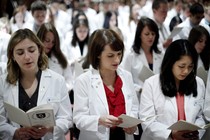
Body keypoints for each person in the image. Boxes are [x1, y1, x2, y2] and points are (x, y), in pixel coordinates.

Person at [0, 29, 72, 140]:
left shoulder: (57, 80)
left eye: (31, 50)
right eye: (20, 53)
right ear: (12, 56)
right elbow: (1, 121)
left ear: (39, 50)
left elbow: (67, 119)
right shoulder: (3, 83)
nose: (27, 57)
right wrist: (15, 132)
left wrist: (50, 128)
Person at [73, 29, 139, 140]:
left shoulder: (126, 76)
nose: (117, 60)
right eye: (110, 55)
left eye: (119, 54)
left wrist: (132, 125)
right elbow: (78, 118)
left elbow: (134, 107)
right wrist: (98, 120)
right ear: (98, 55)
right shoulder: (83, 81)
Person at [139, 39, 206, 140]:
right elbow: (147, 121)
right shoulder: (151, 84)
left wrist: (196, 132)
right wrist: (170, 133)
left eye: (190, 66)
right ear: (170, 63)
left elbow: (200, 116)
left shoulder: (199, 83)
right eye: (181, 66)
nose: (186, 71)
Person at [121, 16, 164, 97]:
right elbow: (125, 81)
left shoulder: (160, 54)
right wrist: (140, 89)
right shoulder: (130, 55)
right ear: (139, 35)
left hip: (158, 97)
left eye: (153, 34)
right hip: (138, 99)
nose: (150, 37)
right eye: (147, 34)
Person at [37, 22, 74, 94]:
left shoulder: (61, 58)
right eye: (47, 41)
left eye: (53, 42)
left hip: (59, 98)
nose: (50, 45)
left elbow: (69, 80)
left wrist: (60, 92)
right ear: (40, 38)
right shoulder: (33, 58)